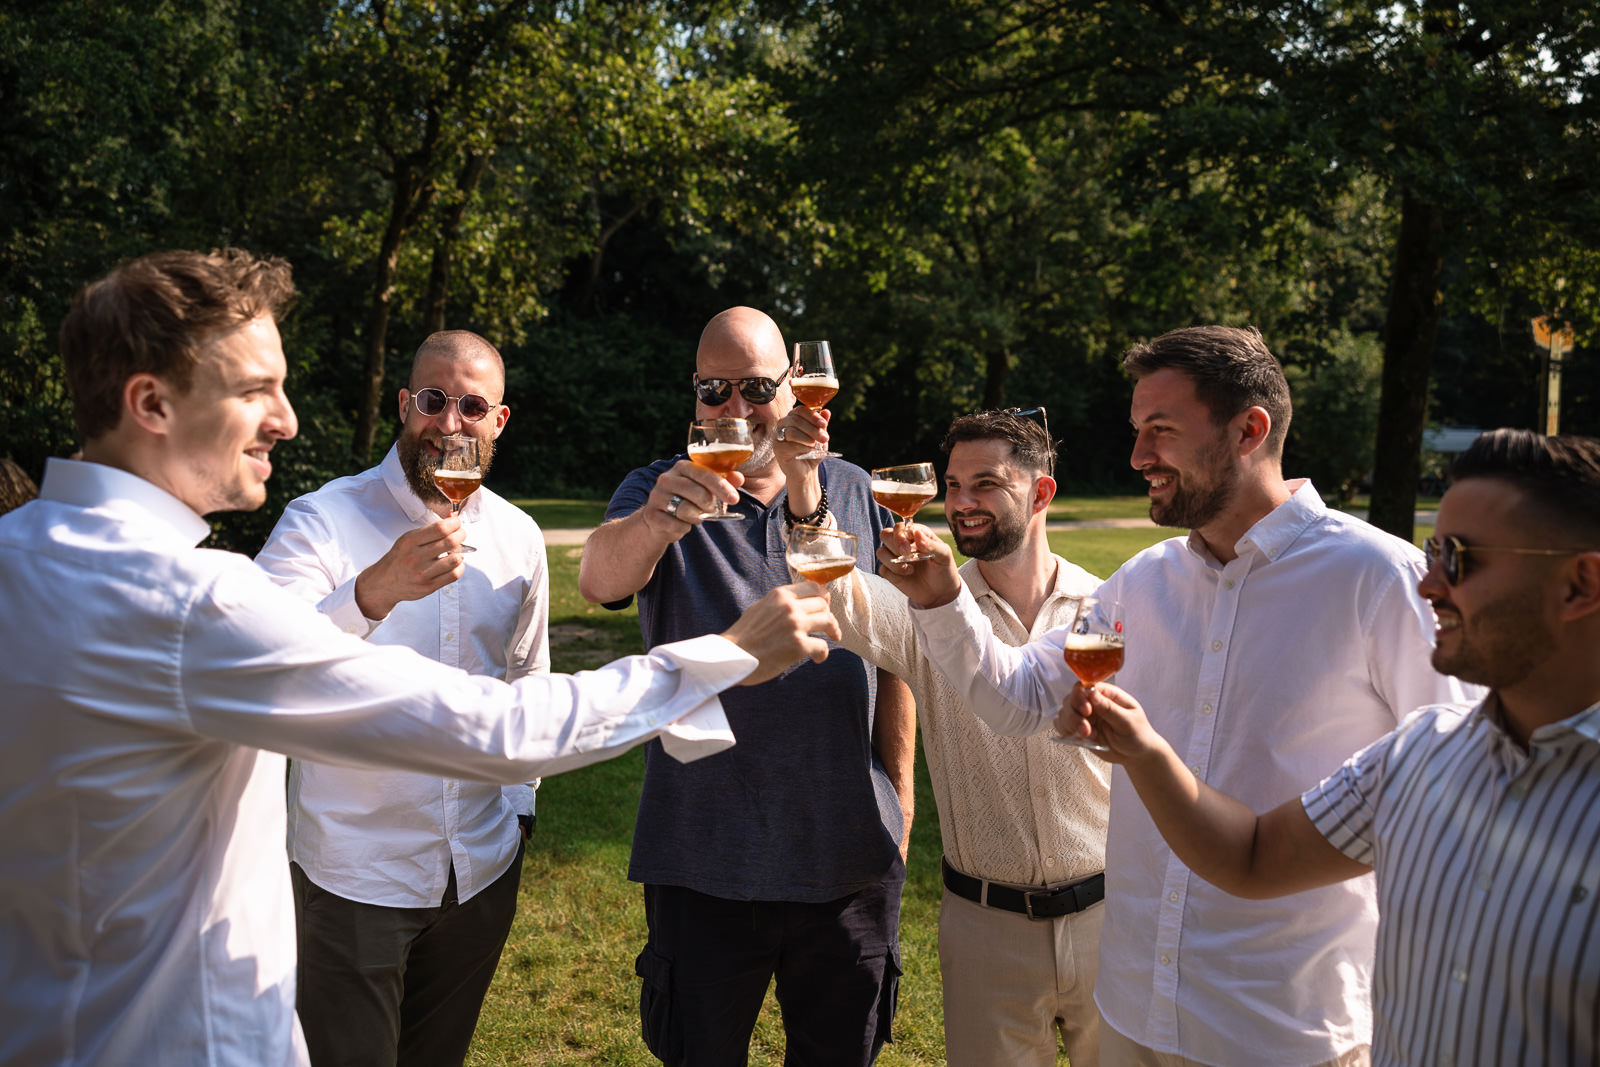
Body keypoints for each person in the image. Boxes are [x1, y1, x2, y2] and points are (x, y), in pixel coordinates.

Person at [0, 249, 839, 1067]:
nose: (287, 419)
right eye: (257, 389)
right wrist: (725, 656)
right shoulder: (190, 604)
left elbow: (521, 674)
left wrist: (516, 814)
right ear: (149, 402)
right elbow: (493, 724)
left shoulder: (17, 555)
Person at [881, 325, 1481, 1066]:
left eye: (1159, 431)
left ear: (1248, 431)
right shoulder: (1143, 582)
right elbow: (1020, 699)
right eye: (1137, 432)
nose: (1137, 457)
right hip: (1136, 1008)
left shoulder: (1379, 580)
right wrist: (942, 600)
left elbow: (1458, 799)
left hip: (1284, 1024)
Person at [1067, 427, 1600, 1066]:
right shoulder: (1415, 757)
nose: (1429, 585)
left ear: (1579, 585)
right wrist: (1147, 750)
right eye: (1433, 553)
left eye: (1460, 558)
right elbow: (1253, 857)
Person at [577, 307, 916, 1066]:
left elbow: (894, 656)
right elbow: (599, 576)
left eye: (757, 386)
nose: (735, 408)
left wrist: (900, 794)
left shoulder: (856, 490)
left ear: (796, 389)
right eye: (714, 389)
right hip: (701, 855)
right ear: (694, 398)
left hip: (848, 856)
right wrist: (669, 509)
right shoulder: (657, 487)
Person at [255, 329, 546, 1067]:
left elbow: (527, 680)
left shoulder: (518, 536)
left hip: (479, 872)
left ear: (499, 420)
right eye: (433, 400)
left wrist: (519, 810)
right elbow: (259, 671)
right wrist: (371, 592)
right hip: (355, 875)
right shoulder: (321, 519)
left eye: (472, 405)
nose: (450, 423)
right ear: (403, 405)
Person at [814, 408, 1109, 1066]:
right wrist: (807, 478)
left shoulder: (1108, 606)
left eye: (985, 484)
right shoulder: (923, 608)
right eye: (951, 484)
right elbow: (830, 583)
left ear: (1041, 492)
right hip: (986, 929)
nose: (961, 502)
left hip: (1111, 921)